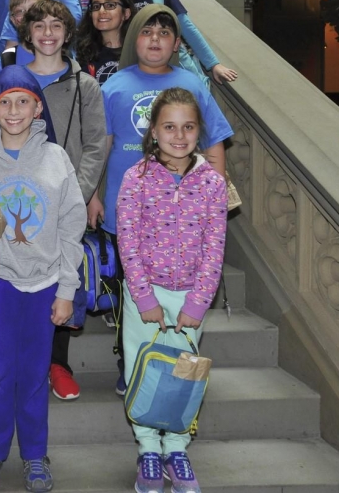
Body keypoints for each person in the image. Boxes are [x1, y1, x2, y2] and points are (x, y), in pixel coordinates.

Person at [0, 66, 86, 492]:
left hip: (45, 282)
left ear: (37, 109)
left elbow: (72, 227)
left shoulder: (56, 158)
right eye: (5, 102)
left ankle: (34, 455)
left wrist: (67, 290)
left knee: (33, 375)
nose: (14, 111)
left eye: (23, 102)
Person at [101, 4, 232, 395]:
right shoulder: (113, 86)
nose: (154, 39)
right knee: (134, 295)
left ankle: (176, 380)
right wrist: (93, 196)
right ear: (132, 39)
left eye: (163, 33)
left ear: (177, 43)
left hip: (188, 214)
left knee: (183, 305)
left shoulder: (192, 83)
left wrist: (216, 189)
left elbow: (214, 142)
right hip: (129, 213)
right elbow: (101, 145)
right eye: (146, 32)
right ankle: (134, 366)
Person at [116, 87, 227, 493]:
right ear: (154, 131)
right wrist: (144, 298)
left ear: (199, 131)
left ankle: (176, 449)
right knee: (142, 373)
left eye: (188, 127)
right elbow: (127, 242)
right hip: (146, 297)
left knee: (183, 376)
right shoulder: (136, 178)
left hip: (189, 299)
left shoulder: (213, 184)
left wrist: (198, 303)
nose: (178, 136)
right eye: (169, 127)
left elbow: (215, 248)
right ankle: (148, 450)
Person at [13, 0, 108, 399]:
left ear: (68, 34)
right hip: (21, 199)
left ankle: (58, 363)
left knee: (62, 281)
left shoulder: (85, 84)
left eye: (57, 25)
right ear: (28, 33)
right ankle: (20, 361)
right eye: (40, 26)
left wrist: (79, 194)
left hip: (67, 200)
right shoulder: (14, 79)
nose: (48, 33)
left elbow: (95, 145)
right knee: (19, 279)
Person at [74, 0, 135, 86]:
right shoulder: (82, 53)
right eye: (96, 6)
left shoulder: (138, 52)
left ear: (126, 13)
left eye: (110, 5)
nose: (101, 11)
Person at [0, 0, 50, 67]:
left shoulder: (61, 56)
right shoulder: (5, 62)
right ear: (13, 20)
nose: (27, 14)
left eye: (33, 8)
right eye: (20, 11)